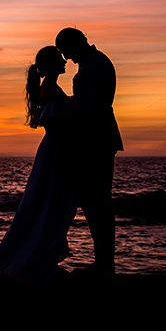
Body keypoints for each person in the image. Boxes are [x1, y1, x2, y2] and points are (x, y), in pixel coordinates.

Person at [0, 46, 79, 282]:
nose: (64, 61)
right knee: (50, 205)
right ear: (50, 64)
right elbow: (63, 123)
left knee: (51, 205)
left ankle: (41, 260)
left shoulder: (51, 88)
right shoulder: (49, 90)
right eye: (60, 59)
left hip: (57, 149)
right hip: (57, 151)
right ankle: (37, 262)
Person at [54, 27, 123, 276]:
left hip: (96, 140)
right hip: (94, 138)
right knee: (94, 201)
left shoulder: (95, 63)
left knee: (98, 202)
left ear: (78, 42)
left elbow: (93, 106)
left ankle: (105, 264)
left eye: (65, 51)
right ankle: (103, 261)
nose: (65, 57)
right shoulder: (89, 63)